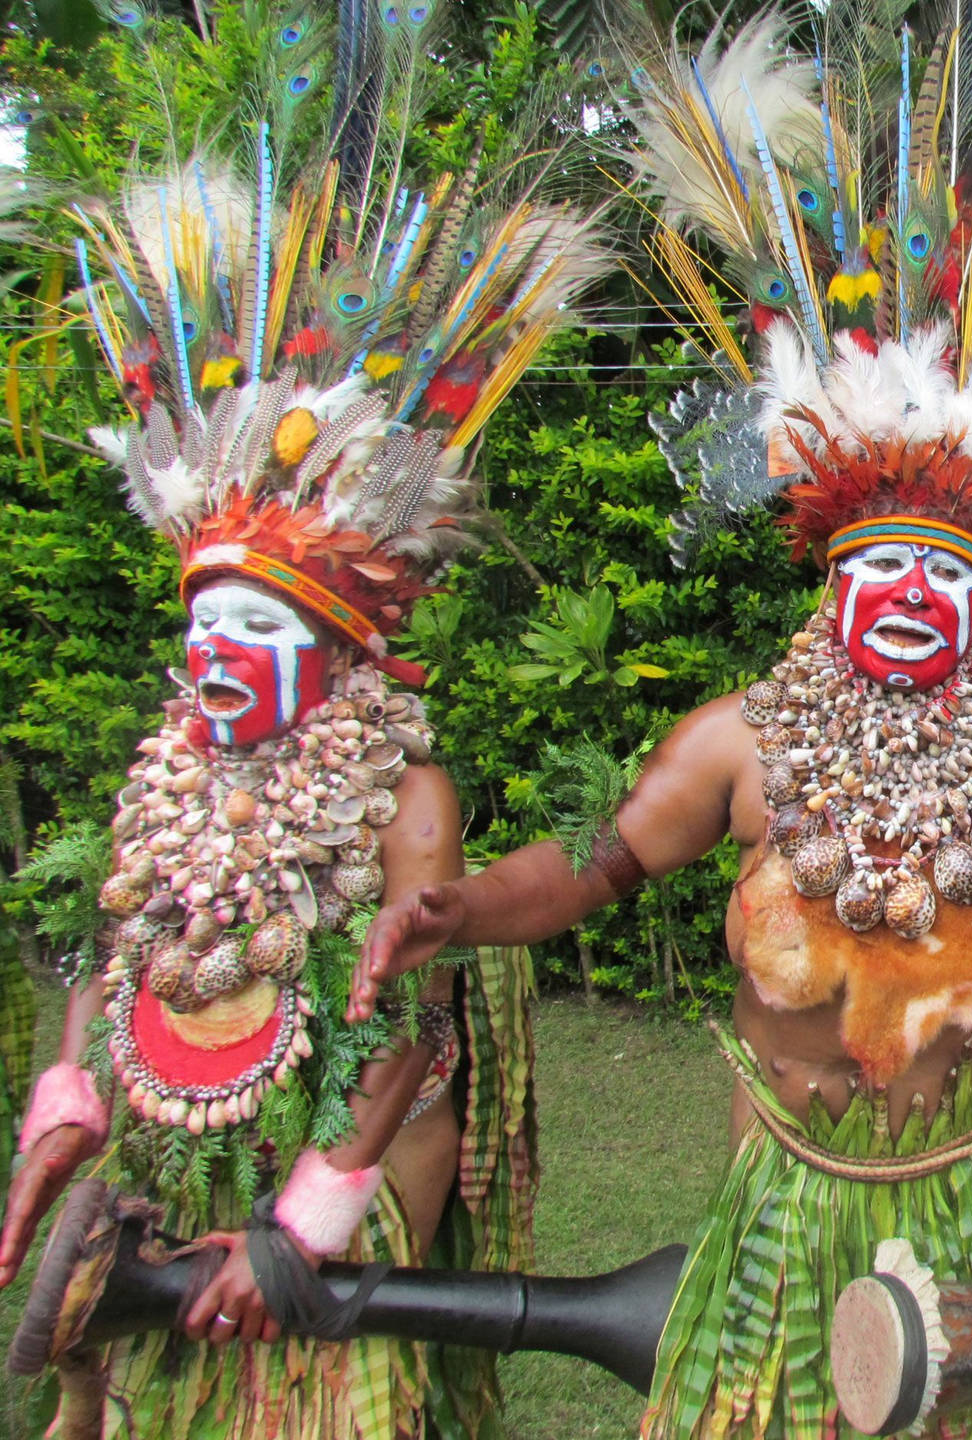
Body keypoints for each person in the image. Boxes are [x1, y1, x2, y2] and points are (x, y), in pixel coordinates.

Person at [350, 11, 972, 1435]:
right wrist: (460, 912)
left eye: (943, 575)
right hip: (783, 1199)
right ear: (832, 576)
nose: (911, 593)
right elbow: (592, 869)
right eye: (883, 567)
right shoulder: (736, 744)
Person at [0, 7, 606, 1432]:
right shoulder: (171, 767)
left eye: (260, 628)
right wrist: (70, 1108)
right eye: (204, 623)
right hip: (172, 1177)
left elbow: (405, 1014)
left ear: (339, 654)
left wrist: (304, 1221)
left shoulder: (407, 793)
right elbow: (116, 948)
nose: (218, 654)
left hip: (331, 1185)